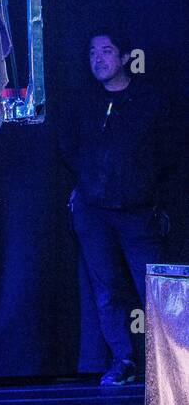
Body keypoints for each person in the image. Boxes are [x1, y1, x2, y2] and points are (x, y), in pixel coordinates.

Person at [60, 31, 172, 385]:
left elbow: (167, 152)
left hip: (138, 210)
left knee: (155, 288)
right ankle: (123, 361)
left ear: (125, 57)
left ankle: (172, 366)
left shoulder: (148, 100)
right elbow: (68, 149)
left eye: (107, 51)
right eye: (92, 52)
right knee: (106, 289)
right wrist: (83, 187)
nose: (98, 58)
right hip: (94, 212)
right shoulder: (82, 102)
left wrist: (152, 193)